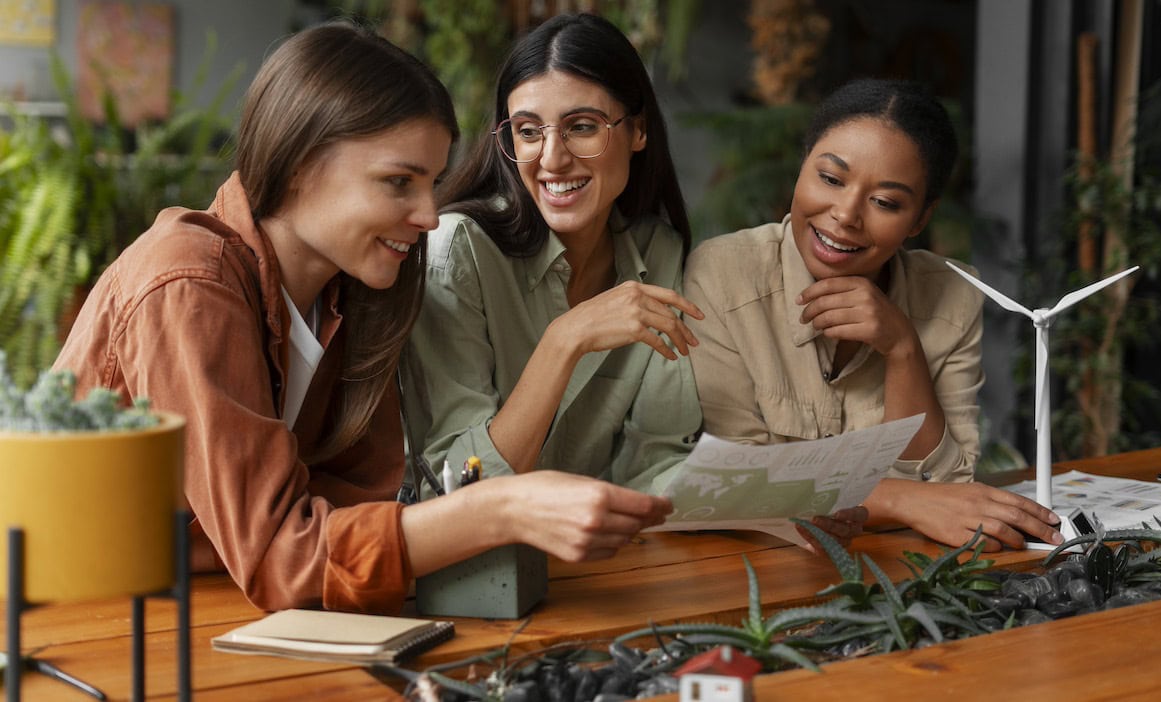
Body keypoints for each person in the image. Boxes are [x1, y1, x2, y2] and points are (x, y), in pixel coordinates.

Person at [54, 21, 671, 614]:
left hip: (212, 609)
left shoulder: (357, 291)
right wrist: (504, 508)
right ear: (300, 166)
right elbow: (281, 557)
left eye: (431, 182)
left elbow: (366, 503)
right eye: (399, 181)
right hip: (75, 617)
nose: (430, 214)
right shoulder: (188, 283)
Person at [684, 78, 1063, 551]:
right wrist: (903, 501)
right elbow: (733, 485)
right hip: (750, 568)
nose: (845, 214)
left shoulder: (951, 294)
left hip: (905, 568)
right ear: (802, 168)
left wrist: (903, 347)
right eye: (829, 178)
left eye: (885, 202)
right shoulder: (722, 274)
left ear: (921, 220)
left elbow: (948, 481)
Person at [400, 13, 703, 492]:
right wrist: (565, 341)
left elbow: (659, 457)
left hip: (613, 552)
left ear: (638, 130)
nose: (552, 158)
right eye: (528, 131)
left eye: (582, 126)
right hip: (480, 560)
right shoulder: (458, 251)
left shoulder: (658, 253)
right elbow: (460, 480)